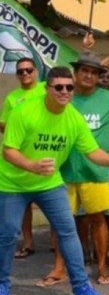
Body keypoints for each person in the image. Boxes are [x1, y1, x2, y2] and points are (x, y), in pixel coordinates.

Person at [1, 67, 109, 295]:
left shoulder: (73, 117)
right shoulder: (24, 111)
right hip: (13, 184)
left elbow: (92, 151)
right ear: (47, 89)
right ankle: (3, 282)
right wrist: (32, 166)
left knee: (67, 231)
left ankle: (81, 285)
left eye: (69, 87)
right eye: (59, 87)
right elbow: (9, 151)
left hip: (49, 183)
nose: (65, 91)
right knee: (7, 233)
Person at [39, 53, 109, 287]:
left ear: (99, 77)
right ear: (76, 73)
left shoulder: (108, 99)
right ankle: (58, 268)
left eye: (94, 72)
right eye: (84, 70)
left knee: (98, 221)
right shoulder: (63, 95)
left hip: (96, 172)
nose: (88, 75)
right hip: (62, 171)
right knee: (61, 223)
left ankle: (102, 264)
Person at [0, 58, 46, 260]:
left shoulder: (47, 89)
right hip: (21, 159)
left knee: (54, 203)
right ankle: (28, 243)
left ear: (36, 71)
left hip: (46, 154)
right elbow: (4, 125)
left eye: (28, 70)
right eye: (21, 71)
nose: (25, 74)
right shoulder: (12, 98)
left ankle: (57, 245)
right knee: (25, 203)